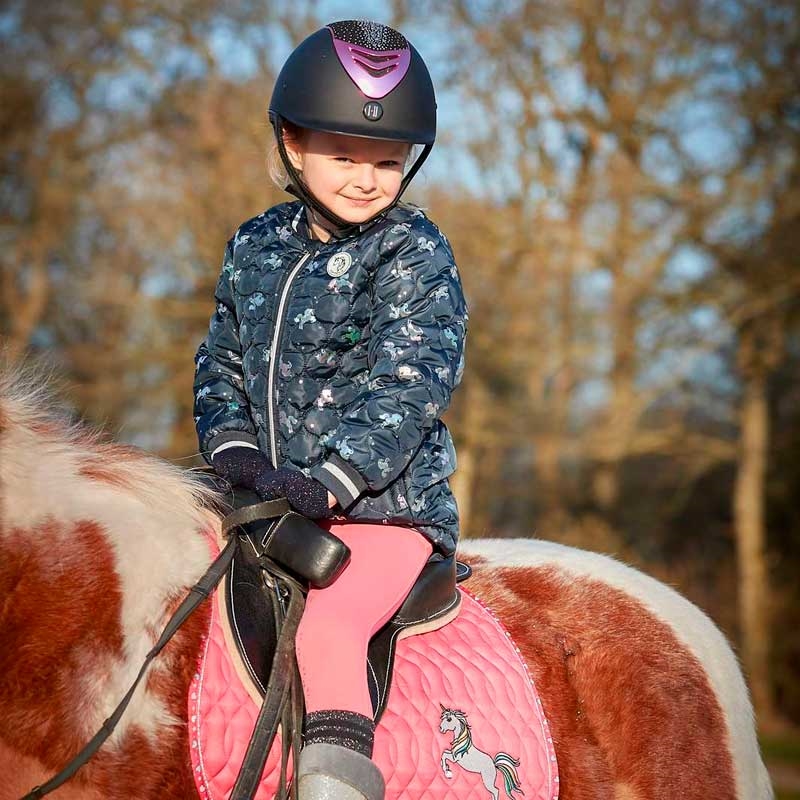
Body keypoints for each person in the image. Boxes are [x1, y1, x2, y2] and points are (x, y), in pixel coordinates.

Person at [193, 19, 467, 800]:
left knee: (331, 623)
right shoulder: (254, 245)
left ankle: (336, 785)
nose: (366, 178)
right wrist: (235, 453)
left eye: (387, 160)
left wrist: (334, 481)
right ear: (291, 143)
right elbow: (221, 361)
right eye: (344, 155)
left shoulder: (412, 250)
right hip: (261, 498)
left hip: (383, 513)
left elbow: (410, 382)